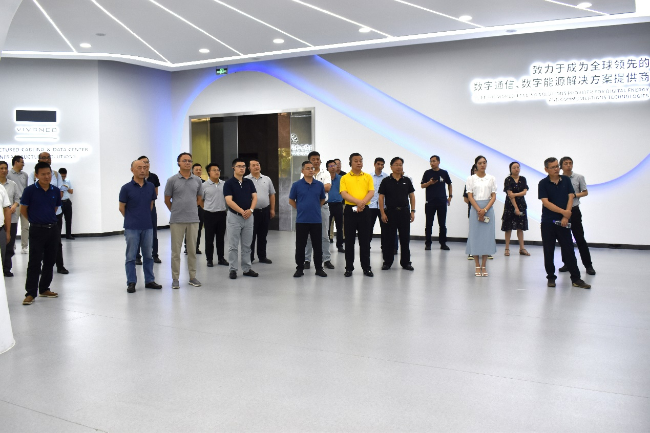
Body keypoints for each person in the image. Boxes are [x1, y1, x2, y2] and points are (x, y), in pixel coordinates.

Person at [538, 157, 591, 289]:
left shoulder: (566, 180)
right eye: (553, 167)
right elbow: (546, 203)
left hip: (564, 221)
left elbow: (570, 196)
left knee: (569, 250)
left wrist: (566, 216)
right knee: (548, 250)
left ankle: (576, 279)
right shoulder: (543, 183)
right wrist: (564, 212)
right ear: (546, 169)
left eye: (557, 166)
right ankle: (551, 277)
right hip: (548, 222)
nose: (556, 169)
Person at [20, 162, 60, 305]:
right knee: (35, 262)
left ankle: (44, 288)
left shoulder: (55, 190)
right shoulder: (29, 191)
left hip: (52, 229)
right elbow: (23, 209)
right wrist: (34, 220)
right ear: (36, 175)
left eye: (49, 173)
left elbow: (54, 208)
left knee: (50, 260)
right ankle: (30, 293)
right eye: (43, 174)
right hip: (37, 229)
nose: (46, 176)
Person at [119, 160, 162, 293]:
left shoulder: (150, 186)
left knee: (148, 255)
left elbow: (151, 204)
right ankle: (131, 282)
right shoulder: (126, 188)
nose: (143, 170)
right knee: (131, 256)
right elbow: (121, 207)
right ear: (132, 170)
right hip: (132, 227)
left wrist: (144, 217)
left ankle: (149, 280)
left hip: (147, 226)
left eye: (145, 167)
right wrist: (131, 218)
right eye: (139, 168)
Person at [164, 152, 203, 289]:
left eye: (189, 161)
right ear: (178, 163)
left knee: (192, 250)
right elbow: (167, 199)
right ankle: (175, 278)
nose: (187, 163)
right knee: (176, 251)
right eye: (184, 160)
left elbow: (199, 198)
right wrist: (176, 210)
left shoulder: (197, 180)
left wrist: (190, 208)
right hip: (177, 220)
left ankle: (192, 277)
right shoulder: (172, 180)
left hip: (193, 219)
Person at [28, 152, 68, 274]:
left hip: (55, 214)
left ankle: (60, 266)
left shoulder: (55, 174)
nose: (46, 160)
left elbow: (60, 190)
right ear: (39, 160)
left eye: (48, 158)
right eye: (43, 158)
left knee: (57, 241)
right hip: (39, 217)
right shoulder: (32, 175)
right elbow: (31, 193)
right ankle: (39, 266)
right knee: (38, 244)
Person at [289, 161, 327, 278]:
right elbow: (291, 200)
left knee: (317, 245)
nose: (311, 170)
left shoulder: (319, 185)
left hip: (316, 220)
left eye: (312, 168)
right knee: (300, 245)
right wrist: (300, 208)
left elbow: (322, 199)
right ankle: (299, 268)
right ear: (302, 171)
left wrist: (315, 208)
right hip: (302, 220)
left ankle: (319, 268)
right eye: (308, 168)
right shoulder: (296, 185)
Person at [340, 153, 375, 277]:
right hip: (350, 210)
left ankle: (366, 268)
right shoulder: (345, 178)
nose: (359, 163)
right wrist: (358, 202)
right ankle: (349, 268)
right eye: (356, 161)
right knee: (349, 240)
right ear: (350, 163)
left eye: (360, 160)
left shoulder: (367, 177)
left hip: (364, 210)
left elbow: (371, 191)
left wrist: (362, 203)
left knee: (365, 241)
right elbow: (344, 193)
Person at [560, 157, 596, 275]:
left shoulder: (579, 177)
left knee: (579, 238)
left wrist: (574, 195)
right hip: (562, 211)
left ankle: (588, 265)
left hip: (574, 210)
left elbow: (585, 192)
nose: (568, 165)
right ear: (561, 166)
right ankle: (567, 263)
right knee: (565, 239)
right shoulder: (558, 178)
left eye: (570, 163)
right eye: (566, 163)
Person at [378, 157, 415, 271]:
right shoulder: (386, 181)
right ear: (391, 167)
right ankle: (387, 262)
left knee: (405, 238)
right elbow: (381, 197)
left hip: (404, 212)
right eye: (396, 164)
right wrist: (382, 213)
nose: (399, 167)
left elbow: (412, 196)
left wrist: (413, 211)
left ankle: (406, 262)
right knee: (389, 239)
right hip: (390, 212)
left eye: (400, 164)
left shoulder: (407, 180)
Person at [224, 158, 258, 279]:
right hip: (234, 217)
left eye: (243, 166)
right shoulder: (228, 183)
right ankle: (233, 269)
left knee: (247, 245)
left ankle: (247, 268)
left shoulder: (249, 182)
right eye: (239, 166)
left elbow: (255, 197)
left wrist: (251, 210)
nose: (242, 168)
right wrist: (242, 211)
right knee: (233, 246)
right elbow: (229, 201)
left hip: (249, 217)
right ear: (233, 168)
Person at [465, 155, 497, 277]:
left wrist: (485, 209)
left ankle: (484, 265)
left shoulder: (491, 178)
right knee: (475, 236)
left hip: (488, 209)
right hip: (475, 209)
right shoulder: (471, 179)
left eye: (484, 162)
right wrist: (479, 209)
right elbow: (470, 196)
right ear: (476, 165)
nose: (482, 165)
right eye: (480, 163)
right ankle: (477, 265)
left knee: (487, 237)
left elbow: (493, 196)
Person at [304, 151, 334, 270]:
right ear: (309, 161)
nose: (316, 161)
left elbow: (328, 188)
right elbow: (303, 188)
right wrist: (319, 187)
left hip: (323, 207)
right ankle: (307, 260)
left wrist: (312, 186)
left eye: (318, 159)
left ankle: (326, 259)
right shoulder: (304, 173)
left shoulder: (325, 173)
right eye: (313, 159)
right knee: (308, 235)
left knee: (324, 235)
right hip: (309, 208)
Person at [245, 159, 276, 264]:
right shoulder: (246, 180)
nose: (256, 167)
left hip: (265, 211)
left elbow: (272, 194)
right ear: (249, 168)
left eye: (258, 164)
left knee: (263, 235)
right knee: (251, 236)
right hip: (252, 212)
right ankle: (250, 257)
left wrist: (272, 209)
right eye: (253, 165)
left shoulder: (267, 179)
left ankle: (262, 256)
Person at [199, 163, 228, 267]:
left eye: (218, 170)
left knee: (221, 238)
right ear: (209, 172)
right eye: (214, 170)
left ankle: (221, 258)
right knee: (209, 238)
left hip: (222, 214)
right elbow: (200, 200)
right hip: (209, 215)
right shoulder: (204, 185)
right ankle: (209, 259)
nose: (217, 172)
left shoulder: (224, 184)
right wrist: (207, 208)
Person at [421, 155, 452, 251]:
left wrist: (450, 196)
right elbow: (422, 185)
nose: (432, 163)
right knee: (429, 224)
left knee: (442, 224)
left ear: (439, 162)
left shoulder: (444, 173)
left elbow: (449, 184)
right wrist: (429, 183)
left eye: (434, 161)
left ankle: (443, 243)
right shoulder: (427, 173)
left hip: (442, 201)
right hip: (430, 202)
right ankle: (428, 243)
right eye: (431, 161)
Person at [136, 156, 162, 264]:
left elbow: (155, 193)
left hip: (151, 208)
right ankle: (137, 256)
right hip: (138, 209)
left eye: (147, 162)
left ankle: (154, 255)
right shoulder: (136, 177)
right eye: (143, 162)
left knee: (153, 232)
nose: (145, 164)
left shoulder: (154, 177)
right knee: (138, 232)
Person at [501, 162, 530, 256]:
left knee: (520, 227)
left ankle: (522, 248)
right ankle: (507, 248)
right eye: (514, 168)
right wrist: (516, 208)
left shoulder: (523, 179)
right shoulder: (508, 179)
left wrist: (515, 194)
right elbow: (510, 195)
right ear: (510, 169)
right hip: (510, 206)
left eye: (518, 167)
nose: (516, 169)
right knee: (508, 227)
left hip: (522, 205)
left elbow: (524, 192)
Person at [0, 161, 20, 276]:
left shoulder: (12, 184)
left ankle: (6, 268)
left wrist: (14, 206)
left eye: (5, 168)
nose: (4, 170)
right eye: (1, 168)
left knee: (9, 243)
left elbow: (17, 198)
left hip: (11, 218)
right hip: (1, 219)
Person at [8, 155, 28, 255]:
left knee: (25, 226)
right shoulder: (8, 174)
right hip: (13, 204)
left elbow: (26, 189)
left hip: (24, 203)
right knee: (13, 226)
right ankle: (12, 245)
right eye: (22, 162)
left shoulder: (25, 175)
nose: (23, 164)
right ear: (16, 162)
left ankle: (24, 246)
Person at [368, 157, 388, 251]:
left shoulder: (386, 177)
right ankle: (367, 245)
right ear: (374, 164)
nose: (380, 166)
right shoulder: (369, 177)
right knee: (369, 227)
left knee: (385, 228)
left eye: (382, 165)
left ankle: (384, 247)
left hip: (383, 206)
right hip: (371, 206)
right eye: (378, 164)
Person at [185, 163, 205, 255]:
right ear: (192, 171)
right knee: (189, 228)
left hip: (200, 208)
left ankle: (196, 247)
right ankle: (187, 247)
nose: (198, 171)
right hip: (190, 208)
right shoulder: (188, 181)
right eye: (196, 170)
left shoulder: (204, 183)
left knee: (199, 228)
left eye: (200, 170)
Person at [326, 159, 344, 253]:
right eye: (330, 166)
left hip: (338, 205)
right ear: (327, 168)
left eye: (334, 165)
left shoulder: (341, 178)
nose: (333, 167)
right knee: (327, 226)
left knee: (339, 226)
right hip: (328, 205)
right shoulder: (325, 178)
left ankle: (340, 245)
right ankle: (326, 245)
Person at [463, 164, 477, 260]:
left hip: (485, 210)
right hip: (473, 210)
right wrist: (476, 205)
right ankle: (472, 251)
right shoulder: (469, 183)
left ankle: (486, 251)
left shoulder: (487, 182)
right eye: (475, 170)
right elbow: (466, 198)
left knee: (485, 231)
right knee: (473, 231)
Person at [58, 168, 74, 239]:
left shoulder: (67, 181)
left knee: (68, 219)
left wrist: (67, 188)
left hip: (67, 201)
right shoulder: (56, 182)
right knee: (59, 220)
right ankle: (58, 236)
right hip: (60, 202)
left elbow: (71, 191)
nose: (63, 178)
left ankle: (68, 235)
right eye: (62, 176)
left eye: (64, 176)